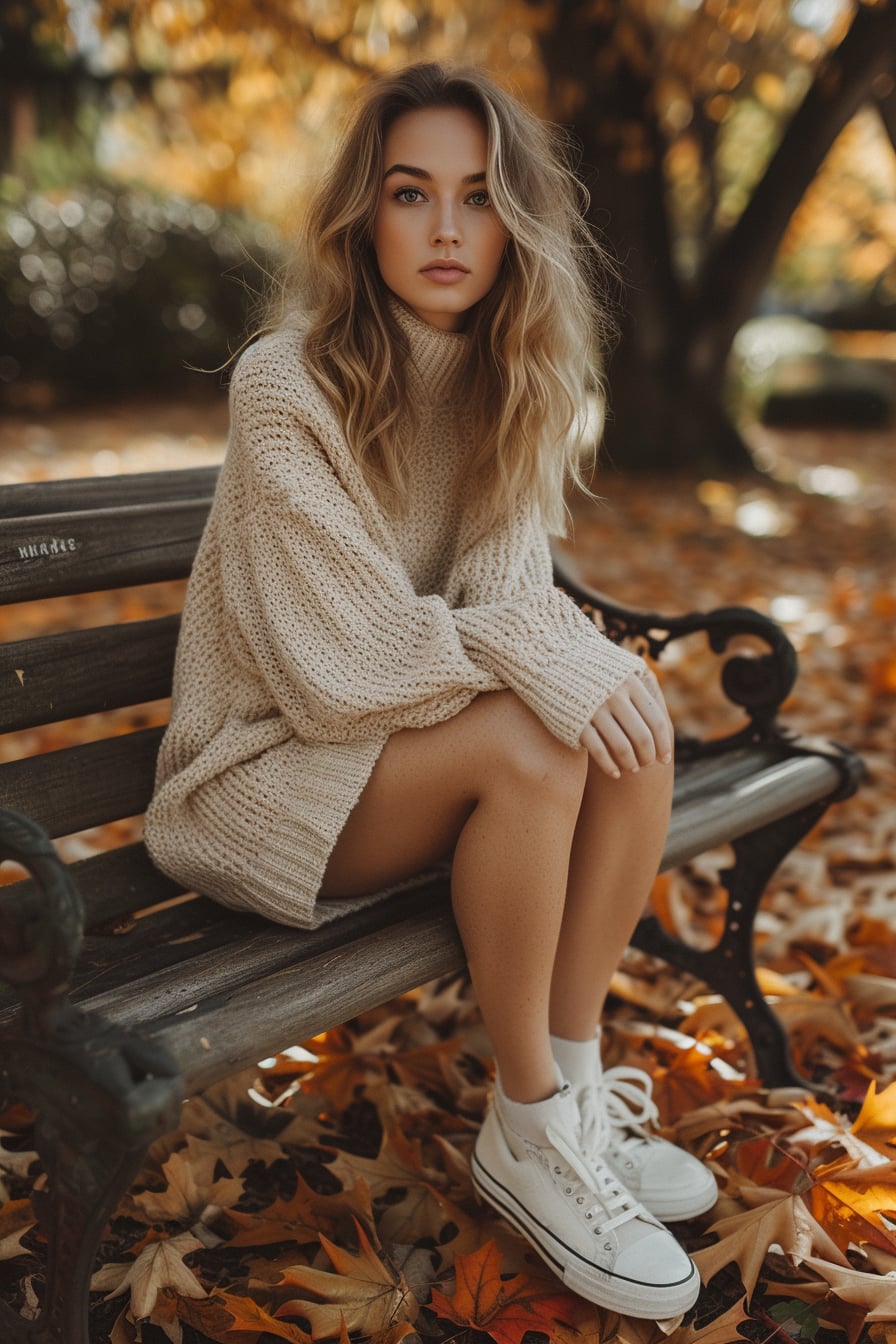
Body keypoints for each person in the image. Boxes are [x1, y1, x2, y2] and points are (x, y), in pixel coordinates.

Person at [144, 61, 717, 1319]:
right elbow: (339, 667)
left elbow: (505, 608)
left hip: (386, 760)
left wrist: (566, 663)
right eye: (413, 194)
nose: (448, 230)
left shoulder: (514, 378)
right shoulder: (285, 383)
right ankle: (522, 1129)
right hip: (259, 779)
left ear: (516, 222)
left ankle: (568, 1088)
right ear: (366, 214)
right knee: (534, 737)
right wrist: (542, 662)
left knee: (625, 722)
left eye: (477, 196)